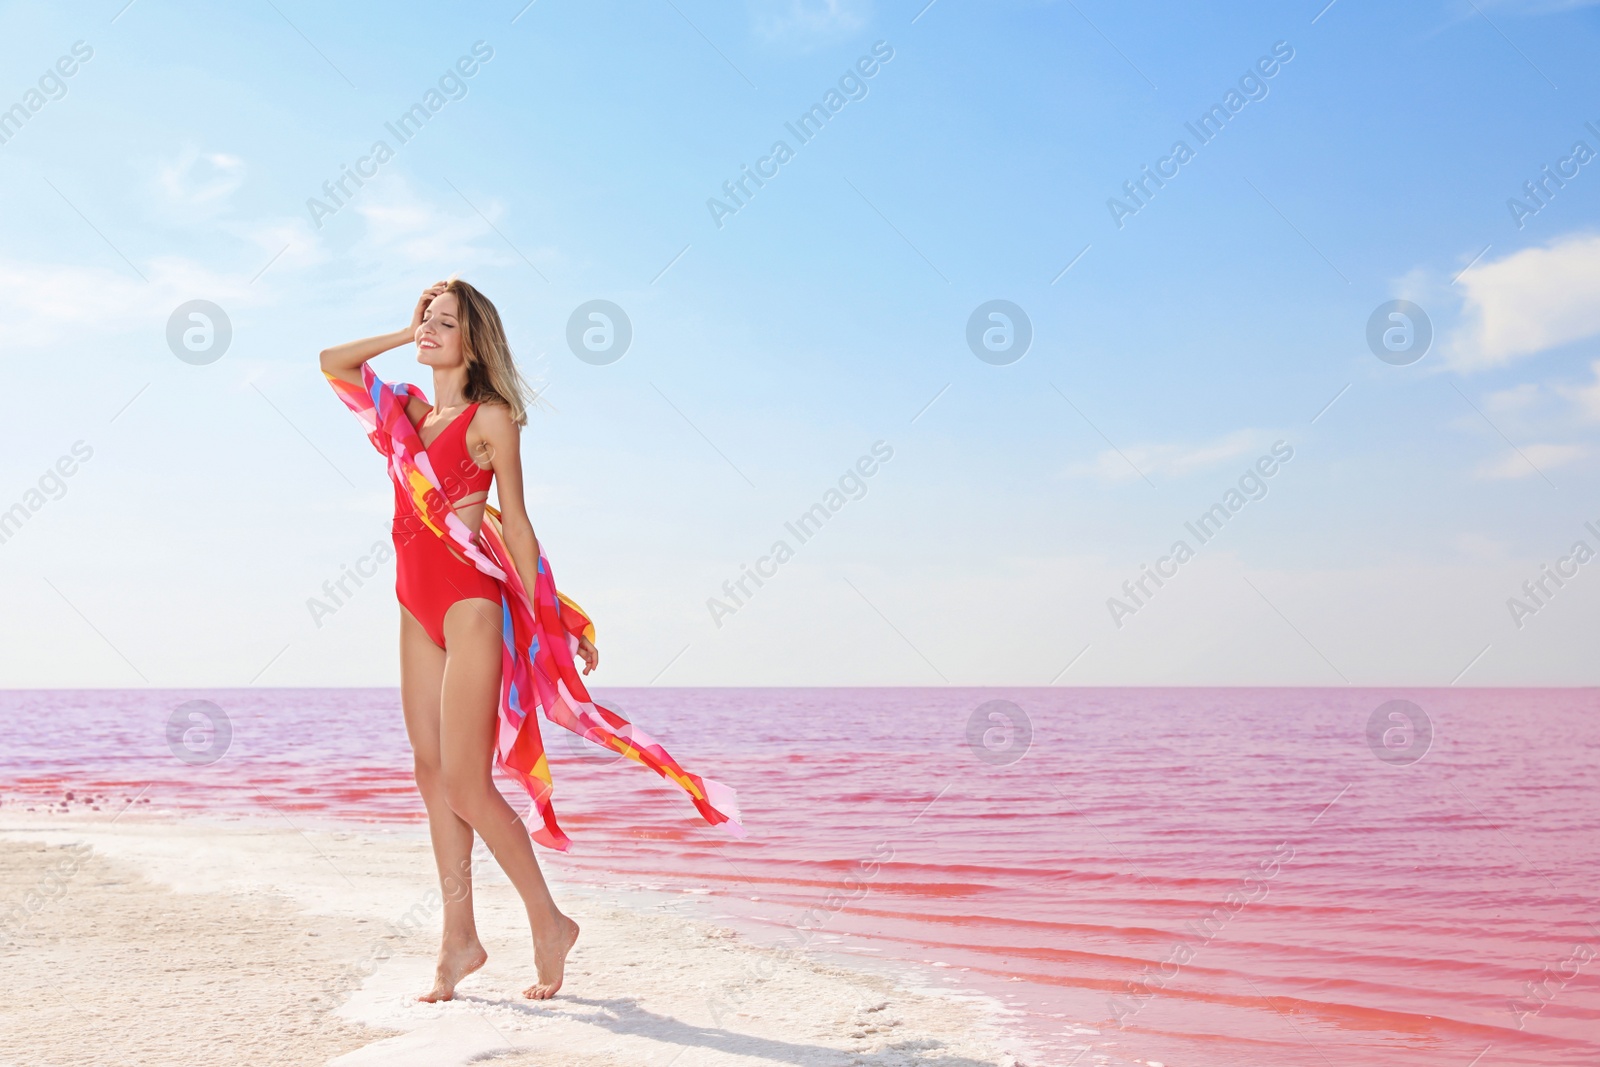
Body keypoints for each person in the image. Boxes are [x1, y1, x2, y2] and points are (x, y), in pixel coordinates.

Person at [320, 279, 742, 1003]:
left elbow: (515, 523)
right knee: (430, 773)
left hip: (470, 605)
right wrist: (401, 329)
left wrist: (552, 618)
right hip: (412, 602)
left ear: (472, 341)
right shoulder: (408, 414)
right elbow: (332, 363)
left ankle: (549, 921)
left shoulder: (492, 418)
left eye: (442, 323)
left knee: (467, 782)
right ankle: (460, 938)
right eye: (426, 318)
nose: (429, 329)